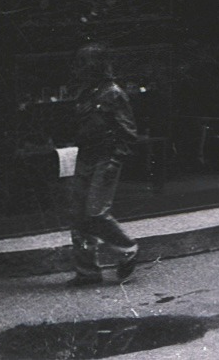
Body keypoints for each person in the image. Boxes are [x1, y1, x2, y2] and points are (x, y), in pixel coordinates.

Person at [66, 44, 139, 284]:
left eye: (86, 63)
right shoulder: (86, 92)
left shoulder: (113, 93)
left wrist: (116, 159)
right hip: (85, 156)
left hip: (105, 158)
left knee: (95, 212)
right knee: (78, 215)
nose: (81, 68)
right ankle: (87, 271)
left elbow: (128, 131)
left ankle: (127, 250)